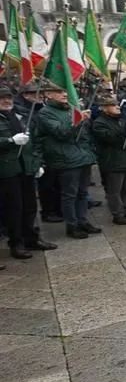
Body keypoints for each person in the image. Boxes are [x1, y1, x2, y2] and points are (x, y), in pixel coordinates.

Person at [34, 82, 100, 239]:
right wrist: (76, 121)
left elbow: (83, 135)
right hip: (65, 158)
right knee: (70, 194)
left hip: (82, 156)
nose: (65, 94)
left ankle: (82, 221)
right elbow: (61, 132)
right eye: (59, 92)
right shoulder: (45, 113)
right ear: (48, 95)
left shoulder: (71, 108)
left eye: (65, 91)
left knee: (82, 193)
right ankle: (72, 225)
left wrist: (84, 121)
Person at [0, 85, 56, 258]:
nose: (6, 101)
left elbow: (34, 141)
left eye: (8, 97)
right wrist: (10, 141)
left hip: (26, 167)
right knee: (13, 208)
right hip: (7, 169)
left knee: (30, 206)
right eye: (2, 98)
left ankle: (32, 238)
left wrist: (36, 163)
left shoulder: (21, 114)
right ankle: (16, 243)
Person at [91, 95, 126, 225]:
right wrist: (123, 130)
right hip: (113, 161)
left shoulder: (121, 120)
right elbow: (109, 138)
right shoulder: (99, 123)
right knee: (114, 191)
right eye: (113, 105)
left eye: (117, 105)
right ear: (104, 108)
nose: (117, 107)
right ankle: (117, 213)